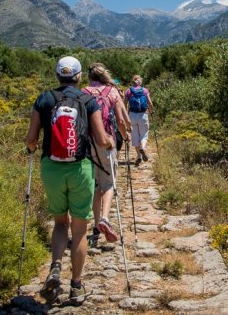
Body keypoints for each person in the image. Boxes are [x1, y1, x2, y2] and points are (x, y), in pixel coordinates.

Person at [26, 56, 115, 304]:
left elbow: (31, 139)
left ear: (57, 76)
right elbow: (100, 139)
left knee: (59, 224)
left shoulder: (43, 99)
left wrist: (32, 149)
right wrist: (110, 141)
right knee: (79, 230)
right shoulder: (87, 101)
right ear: (78, 77)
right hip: (80, 169)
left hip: (51, 169)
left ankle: (55, 266)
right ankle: (76, 286)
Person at [83, 63, 130, 247]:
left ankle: (95, 226)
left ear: (89, 77)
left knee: (95, 184)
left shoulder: (84, 92)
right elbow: (119, 119)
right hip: (107, 141)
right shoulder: (112, 92)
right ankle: (104, 218)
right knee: (109, 183)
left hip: (87, 144)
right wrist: (125, 137)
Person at [124, 74, 154, 166]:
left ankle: (138, 156)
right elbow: (149, 102)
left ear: (132, 81)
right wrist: (152, 111)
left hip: (132, 115)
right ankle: (143, 148)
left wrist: (125, 115)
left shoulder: (128, 91)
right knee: (144, 134)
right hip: (143, 114)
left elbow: (124, 104)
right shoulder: (145, 90)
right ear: (140, 82)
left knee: (135, 136)